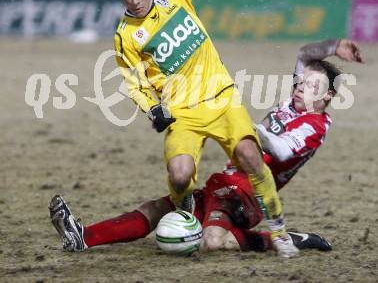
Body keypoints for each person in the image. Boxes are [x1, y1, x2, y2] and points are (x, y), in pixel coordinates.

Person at [96, 0, 295, 255]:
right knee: (178, 175)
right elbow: (135, 81)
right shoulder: (125, 36)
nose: (135, 1)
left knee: (250, 156)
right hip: (182, 112)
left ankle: (279, 231)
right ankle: (186, 212)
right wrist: (153, 109)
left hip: (221, 98)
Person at [49, 38, 363, 254]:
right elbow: (306, 54)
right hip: (223, 182)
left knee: (212, 242)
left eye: (313, 86)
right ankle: (84, 237)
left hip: (247, 197)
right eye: (302, 82)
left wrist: (243, 127)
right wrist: (335, 46)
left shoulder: (315, 126)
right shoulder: (296, 103)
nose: (302, 88)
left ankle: (285, 239)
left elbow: (280, 150)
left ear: (328, 97)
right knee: (157, 208)